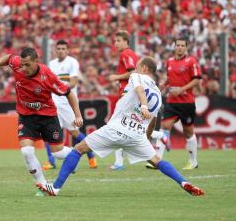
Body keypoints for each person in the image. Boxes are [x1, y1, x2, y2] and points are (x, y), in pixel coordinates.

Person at [37, 57, 204, 197]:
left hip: (116, 128)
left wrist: (143, 105)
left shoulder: (138, 76)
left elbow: (139, 90)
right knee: (157, 161)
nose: (135, 69)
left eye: (138, 67)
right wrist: (145, 138)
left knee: (78, 149)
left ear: (144, 68)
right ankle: (184, 182)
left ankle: (56, 188)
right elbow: (153, 120)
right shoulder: (159, 95)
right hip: (136, 135)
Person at [0, 47, 83, 195]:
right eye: (22, 64)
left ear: (36, 62)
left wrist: (77, 115)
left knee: (58, 153)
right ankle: (43, 185)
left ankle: (73, 157)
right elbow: (8, 58)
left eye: (27, 65)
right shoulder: (17, 64)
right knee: (26, 151)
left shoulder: (47, 76)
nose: (23, 67)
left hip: (48, 117)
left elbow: (69, 93)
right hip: (26, 117)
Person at [42, 40, 97, 170]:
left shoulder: (72, 62)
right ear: (55, 51)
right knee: (47, 132)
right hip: (53, 104)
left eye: (63, 48)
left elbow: (73, 82)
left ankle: (91, 155)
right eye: (58, 48)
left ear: (67, 50)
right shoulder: (51, 64)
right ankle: (51, 161)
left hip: (67, 103)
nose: (60, 51)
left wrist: (58, 89)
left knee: (74, 133)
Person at [151, 39, 202, 170]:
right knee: (164, 126)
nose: (180, 48)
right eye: (177, 45)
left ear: (186, 47)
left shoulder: (191, 61)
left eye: (182, 45)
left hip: (186, 102)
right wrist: (163, 84)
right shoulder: (170, 61)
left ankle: (193, 161)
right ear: (174, 47)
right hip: (172, 101)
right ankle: (157, 160)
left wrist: (182, 89)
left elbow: (197, 79)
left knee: (188, 132)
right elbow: (170, 76)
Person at [108, 30, 139, 170]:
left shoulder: (126, 54)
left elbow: (133, 72)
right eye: (115, 40)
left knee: (116, 125)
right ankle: (160, 136)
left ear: (126, 41)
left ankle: (119, 163)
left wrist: (116, 77)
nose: (116, 43)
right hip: (130, 93)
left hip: (126, 94)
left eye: (119, 40)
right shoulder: (130, 54)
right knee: (127, 126)